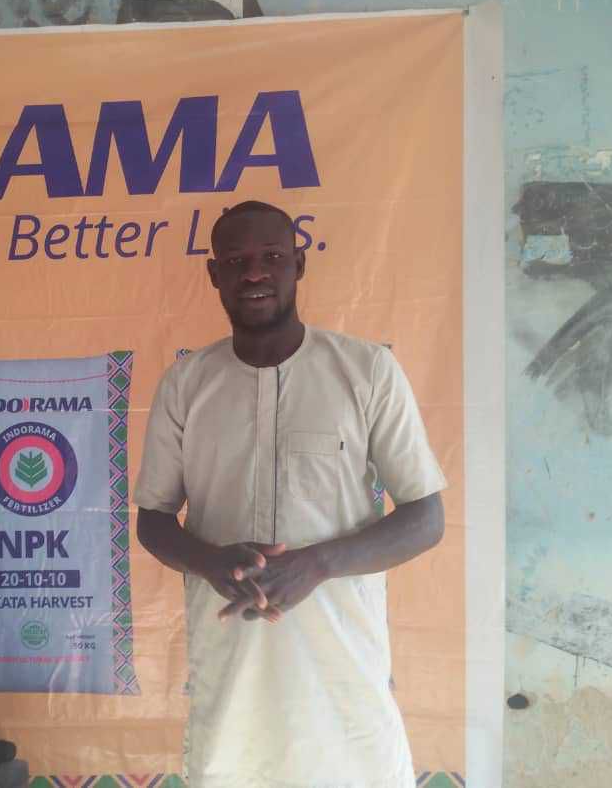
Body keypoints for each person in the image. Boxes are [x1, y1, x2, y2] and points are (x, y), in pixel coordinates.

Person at [133, 200, 447, 788]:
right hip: (231, 665)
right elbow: (152, 519)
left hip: (344, 671)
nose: (255, 272)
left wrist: (317, 564)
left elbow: (426, 516)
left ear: (298, 265)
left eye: (273, 256)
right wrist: (211, 562)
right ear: (214, 274)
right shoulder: (185, 385)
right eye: (236, 261)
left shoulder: (367, 371)